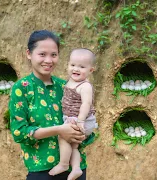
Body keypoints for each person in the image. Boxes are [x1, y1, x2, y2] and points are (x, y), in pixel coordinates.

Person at [9, 30, 95, 180]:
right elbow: (19, 132)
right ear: (29, 54)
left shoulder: (66, 86)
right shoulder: (22, 88)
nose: (48, 60)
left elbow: (87, 118)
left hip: (75, 170)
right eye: (42, 54)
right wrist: (59, 130)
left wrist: (81, 133)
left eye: (53, 55)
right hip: (42, 171)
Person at [48, 48, 97, 180]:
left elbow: (86, 104)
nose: (76, 69)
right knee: (73, 145)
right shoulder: (70, 81)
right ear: (67, 65)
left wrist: (80, 120)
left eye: (82, 67)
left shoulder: (85, 86)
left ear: (90, 70)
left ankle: (64, 164)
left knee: (63, 137)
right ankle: (76, 169)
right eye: (73, 65)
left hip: (82, 120)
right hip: (73, 118)